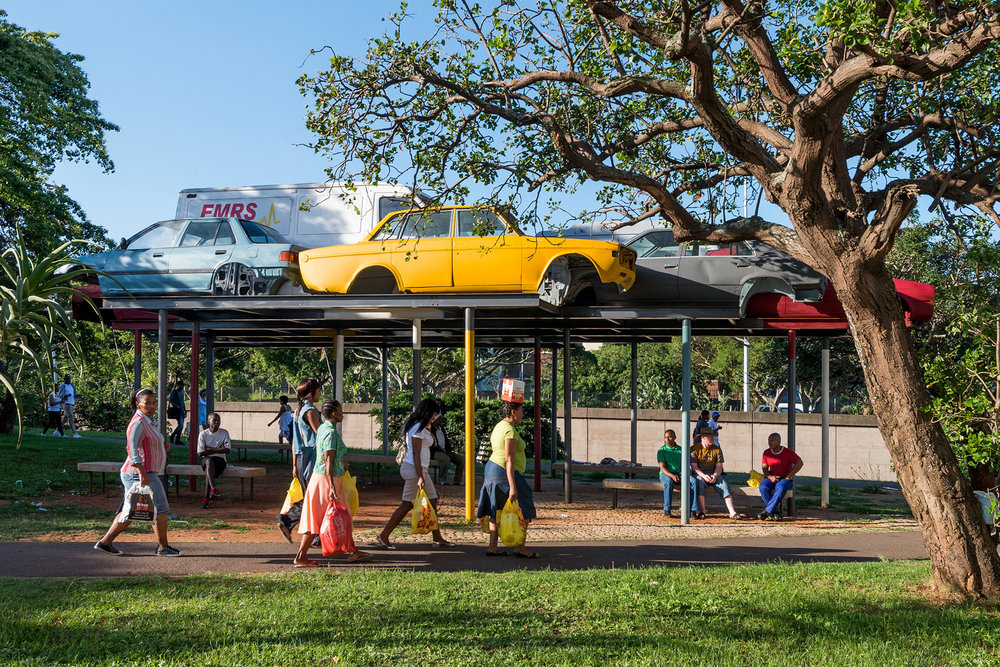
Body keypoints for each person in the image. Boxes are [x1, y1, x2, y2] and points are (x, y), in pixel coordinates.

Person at [94, 388, 182, 557]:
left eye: (154, 402)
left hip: (145, 472)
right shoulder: (138, 422)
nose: (151, 406)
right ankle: (163, 547)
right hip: (139, 473)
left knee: (130, 511)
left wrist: (163, 446)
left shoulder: (149, 421)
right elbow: (132, 447)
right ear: (137, 404)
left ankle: (105, 543)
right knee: (160, 509)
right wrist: (141, 471)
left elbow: (149, 442)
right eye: (147, 402)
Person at [294, 399, 371, 566]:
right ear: (334, 413)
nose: (343, 413)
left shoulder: (322, 428)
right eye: (340, 410)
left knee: (333, 515)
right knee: (330, 516)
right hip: (328, 480)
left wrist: (341, 463)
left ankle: (351, 551)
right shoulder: (330, 433)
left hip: (322, 478)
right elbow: (328, 459)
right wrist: (331, 487)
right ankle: (301, 557)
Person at [374, 398, 456, 550]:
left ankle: (437, 538)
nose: (435, 418)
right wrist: (420, 476)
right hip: (414, 469)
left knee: (432, 500)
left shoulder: (422, 427)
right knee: (407, 504)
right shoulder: (417, 428)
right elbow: (416, 453)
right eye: (434, 415)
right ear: (428, 412)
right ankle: (383, 535)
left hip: (419, 469)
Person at [477, 399, 538, 558]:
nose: (522, 414)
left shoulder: (499, 426)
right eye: (521, 410)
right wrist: (513, 486)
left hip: (492, 470)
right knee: (525, 506)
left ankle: (492, 546)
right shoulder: (509, 430)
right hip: (504, 472)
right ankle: (520, 547)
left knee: (495, 508)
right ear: (513, 412)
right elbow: (509, 459)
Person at [691, 427, 745, 521]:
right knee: (699, 482)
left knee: (724, 485)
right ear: (702, 437)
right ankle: (702, 511)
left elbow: (719, 466)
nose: (712, 438)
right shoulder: (694, 449)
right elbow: (694, 467)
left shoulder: (717, 449)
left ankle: (732, 512)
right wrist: (704, 476)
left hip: (714, 474)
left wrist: (715, 475)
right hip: (700, 475)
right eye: (710, 437)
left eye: (713, 436)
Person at [758, 432, 803, 521]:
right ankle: (775, 512)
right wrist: (770, 477)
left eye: (772, 440)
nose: (769, 442)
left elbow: (800, 463)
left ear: (778, 441)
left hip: (785, 479)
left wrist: (790, 475)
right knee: (763, 487)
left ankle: (767, 511)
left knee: (781, 488)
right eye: (768, 440)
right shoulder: (766, 452)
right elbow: (764, 468)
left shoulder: (788, 452)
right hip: (771, 477)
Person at [657, 428, 696, 518]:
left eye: (669, 437)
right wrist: (672, 475)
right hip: (666, 474)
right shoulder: (662, 451)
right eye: (665, 437)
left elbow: (686, 465)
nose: (667, 439)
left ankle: (692, 509)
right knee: (668, 482)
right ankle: (667, 509)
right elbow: (662, 468)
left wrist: (684, 474)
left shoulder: (681, 450)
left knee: (693, 481)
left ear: (675, 437)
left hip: (680, 473)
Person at [291, 378, 322, 488]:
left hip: (301, 457)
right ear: (310, 393)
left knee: (306, 496)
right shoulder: (310, 411)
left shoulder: (298, 410)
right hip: (310, 458)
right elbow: (320, 434)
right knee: (312, 496)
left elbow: (295, 441)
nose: (320, 394)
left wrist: (294, 465)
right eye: (318, 391)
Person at [197, 412, 231, 509]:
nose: (217, 422)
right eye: (214, 420)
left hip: (220, 460)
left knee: (209, 469)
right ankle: (212, 489)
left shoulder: (224, 433)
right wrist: (219, 449)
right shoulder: (203, 434)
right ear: (208, 422)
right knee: (208, 462)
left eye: (218, 420)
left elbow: (227, 450)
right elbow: (200, 453)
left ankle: (206, 497)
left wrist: (210, 449)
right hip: (206, 460)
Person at [429, 403, 462, 486]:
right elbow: (434, 445)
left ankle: (457, 480)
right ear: (435, 420)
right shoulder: (431, 429)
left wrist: (449, 451)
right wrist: (445, 453)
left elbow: (446, 441)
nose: (442, 420)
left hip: (444, 451)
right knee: (445, 458)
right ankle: (442, 480)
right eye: (440, 418)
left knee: (462, 460)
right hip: (435, 452)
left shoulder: (442, 428)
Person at [58, 373, 81, 438]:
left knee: (65, 418)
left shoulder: (72, 385)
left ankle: (57, 431)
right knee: (71, 418)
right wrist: (65, 396)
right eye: (67, 379)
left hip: (72, 403)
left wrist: (78, 396)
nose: (68, 380)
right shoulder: (62, 386)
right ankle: (74, 433)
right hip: (66, 404)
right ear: (64, 379)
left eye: (69, 379)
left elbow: (74, 395)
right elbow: (60, 395)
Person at [168, 380, 187, 446]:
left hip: (182, 410)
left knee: (181, 426)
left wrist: (185, 410)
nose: (182, 387)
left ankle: (177, 440)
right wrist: (176, 405)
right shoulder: (174, 392)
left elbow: (183, 402)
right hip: (177, 410)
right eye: (181, 385)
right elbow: (170, 400)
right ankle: (173, 436)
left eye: (183, 385)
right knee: (180, 425)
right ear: (178, 385)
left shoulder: (182, 393)